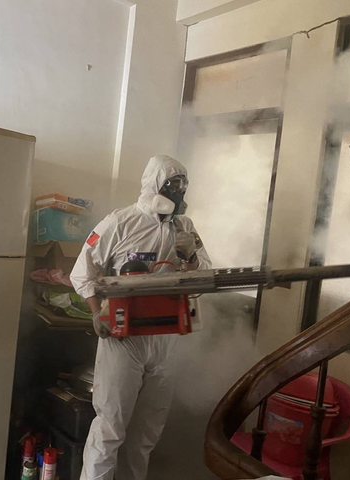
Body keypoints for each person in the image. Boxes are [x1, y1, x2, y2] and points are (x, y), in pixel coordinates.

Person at [70, 154, 211, 480]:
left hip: (166, 340)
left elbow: (206, 277)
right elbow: (82, 272)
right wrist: (96, 312)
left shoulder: (185, 228)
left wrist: (190, 255)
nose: (178, 192)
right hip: (124, 339)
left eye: (183, 186)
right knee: (110, 428)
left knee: (146, 434)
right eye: (173, 184)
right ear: (155, 184)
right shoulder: (120, 223)